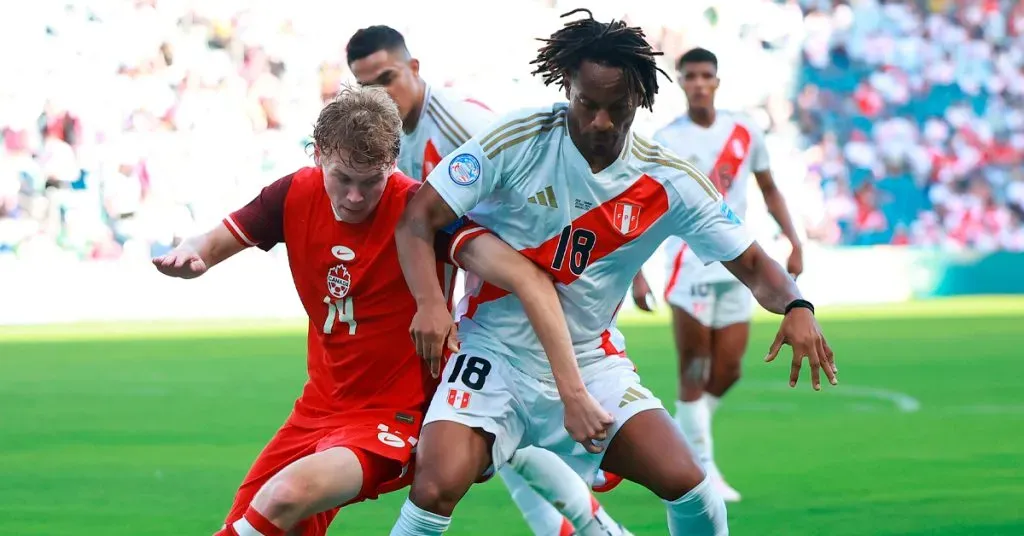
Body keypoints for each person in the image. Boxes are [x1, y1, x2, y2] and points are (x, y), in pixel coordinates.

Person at [388, 10, 838, 536]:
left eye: (616, 108)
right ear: (567, 88)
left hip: (591, 363)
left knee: (690, 485)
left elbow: (756, 264)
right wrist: (429, 303)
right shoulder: (517, 139)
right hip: (493, 354)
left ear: (640, 101)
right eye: (587, 104)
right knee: (435, 487)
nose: (600, 122)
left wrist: (798, 306)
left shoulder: (668, 179)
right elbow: (418, 218)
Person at [152, 86, 591, 536]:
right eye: (343, 178)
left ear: (394, 163)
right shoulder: (291, 194)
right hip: (317, 407)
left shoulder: (421, 210)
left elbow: (520, 273)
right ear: (318, 154)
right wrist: (193, 255)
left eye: (371, 181)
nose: (357, 197)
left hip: (396, 415)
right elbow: (210, 243)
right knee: (260, 521)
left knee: (285, 496)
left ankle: (586, 520)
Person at [344, 25, 630, 536]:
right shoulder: (388, 135)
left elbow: (550, 187)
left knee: (484, 422)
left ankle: (593, 511)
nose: (379, 94)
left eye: (387, 78)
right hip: (473, 290)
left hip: (515, 291)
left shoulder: (463, 122)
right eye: (366, 86)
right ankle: (584, 525)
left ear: (414, 69)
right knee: (491, 429)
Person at [630, 47, 805, 502]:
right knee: (695, 368)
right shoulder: (665, 139)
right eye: (691, 76)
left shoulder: (744, 130)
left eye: (707, 75)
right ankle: (704, 470)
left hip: (737, 265)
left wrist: (794, 239)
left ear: (718, 80)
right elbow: (640, 208)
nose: (700, 83)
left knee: (728, 370)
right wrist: (637, 274)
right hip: (686, 267)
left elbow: (769, 190)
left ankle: (683, 427)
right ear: (681, 82)